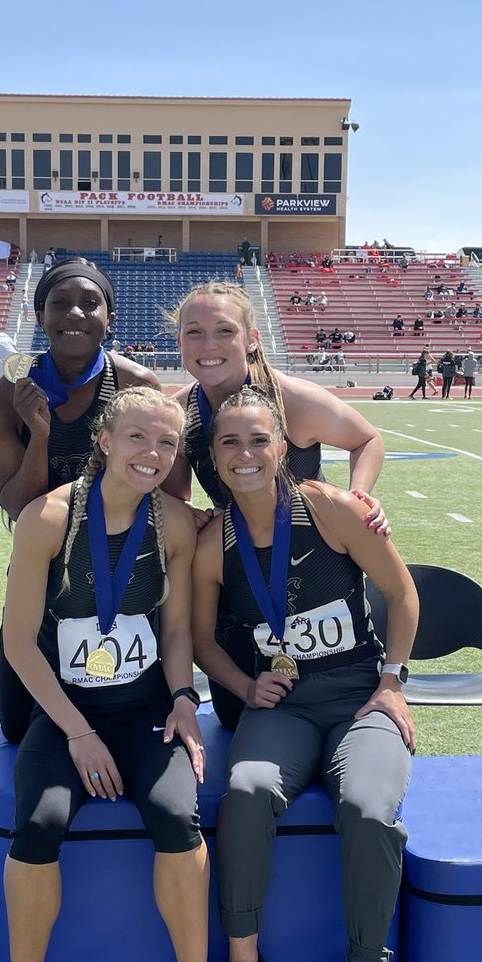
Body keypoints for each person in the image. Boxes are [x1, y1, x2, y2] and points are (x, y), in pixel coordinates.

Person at [0, 387, 221, 962]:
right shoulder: (48, 518)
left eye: (166, 443)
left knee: (177, 817)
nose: (152, 454)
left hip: (145, 709)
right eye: (137, 437)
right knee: (38, 825)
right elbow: (18, 644)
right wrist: (78, 732)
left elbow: (177, 629)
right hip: (67, 711)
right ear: (104, 439)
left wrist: (183, 698)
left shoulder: (174, 522)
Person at [191, 387, 418, 962]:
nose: (246, 454)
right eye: (230, 443)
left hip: (357, 697)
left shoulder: (330, 508)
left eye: (258, 439)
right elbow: (200, 639)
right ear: (213, 458)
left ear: (283, 447)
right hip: (282, 706)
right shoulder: (213, 541)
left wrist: (391, 681)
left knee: (368, 810)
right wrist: (242, 686)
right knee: (246, 791)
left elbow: (402, 594)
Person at [163, 280, 389, 731]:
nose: (209, 345)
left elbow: (367, 439)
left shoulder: (291, 399)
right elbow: (174, 497)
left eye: (224, 331)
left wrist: (357, 495)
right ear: (180, 342)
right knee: (237, 711)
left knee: (332, 689)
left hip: (316, 552)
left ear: (251, 339)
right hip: (241, 560)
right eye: (194, 332)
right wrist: (190, 516)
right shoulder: (179, 412)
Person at [0, 258, 159, 744]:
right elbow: (19, 506)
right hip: (42, 566)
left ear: (110, 318)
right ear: (40, 317)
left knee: (135, 715)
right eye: (60, 303)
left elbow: (161, 488)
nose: (75, 313)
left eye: (90, 303)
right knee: (18, 725)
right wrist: (40, 434)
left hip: (124, 564)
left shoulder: (136, 385)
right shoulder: (4, 392)